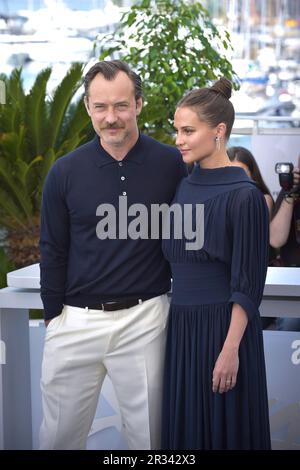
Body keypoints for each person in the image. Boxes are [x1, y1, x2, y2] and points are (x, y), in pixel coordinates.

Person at [39, 60, 186, 450]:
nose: (111, 118)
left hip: (145, 320)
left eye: (121, 106)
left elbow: (193, 232)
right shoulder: (64, 171)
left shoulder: (172, 165)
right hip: (76, 322)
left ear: (139, 104)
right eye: (100, 107)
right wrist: (55, 316)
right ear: (87, 107)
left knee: (150, 440)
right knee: (58, 438)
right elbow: (52, 246)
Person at [161, 78, 271, 449]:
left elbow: (249, 283)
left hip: (223, 330)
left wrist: (229, 350)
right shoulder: (184, 185)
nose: (179, 139)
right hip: (182, 327)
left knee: (226, 431)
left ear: (219, 131)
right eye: (177, 130)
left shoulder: (245, 197)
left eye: (188, 130)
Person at [270, 161, 300, 331]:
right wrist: (289, 195)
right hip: (293, 280)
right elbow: (275, 240)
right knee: (290, 322)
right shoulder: (290, 191)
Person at [227, 146, 274, 218]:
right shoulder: (216, 199)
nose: (235, 178)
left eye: (241, 172)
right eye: (230, 172)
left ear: (252, 173)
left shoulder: (263, 199)